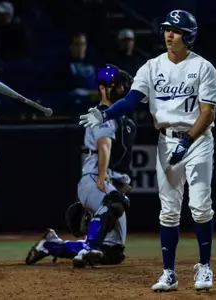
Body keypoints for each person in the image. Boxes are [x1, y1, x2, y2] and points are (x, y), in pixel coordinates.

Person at [79, 10, 216, 292]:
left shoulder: (203, 68)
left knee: (200, 206)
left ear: (188, 36)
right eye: (167, 28)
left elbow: (208, 114)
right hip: (166, 140)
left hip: (198, 141)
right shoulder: (151, 67)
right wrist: (105, 116)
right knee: (168, 211)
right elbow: (131, 101)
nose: (169, 34)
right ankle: (169, 272)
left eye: (176, 30)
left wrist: (188, 141)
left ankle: (204, 266)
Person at [25, 65, 136, 268]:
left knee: (113, 252)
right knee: (114, 203)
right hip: (95, 178)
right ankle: (88, 248)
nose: (122, 90)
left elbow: (123, 158)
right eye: (117, 86)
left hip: (109, 182)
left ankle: (51, 245)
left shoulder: (124, 118)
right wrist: (103, 177)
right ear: (103, 88)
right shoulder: (99, 114)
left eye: (123, 85)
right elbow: (104, 146)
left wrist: (122, 182)